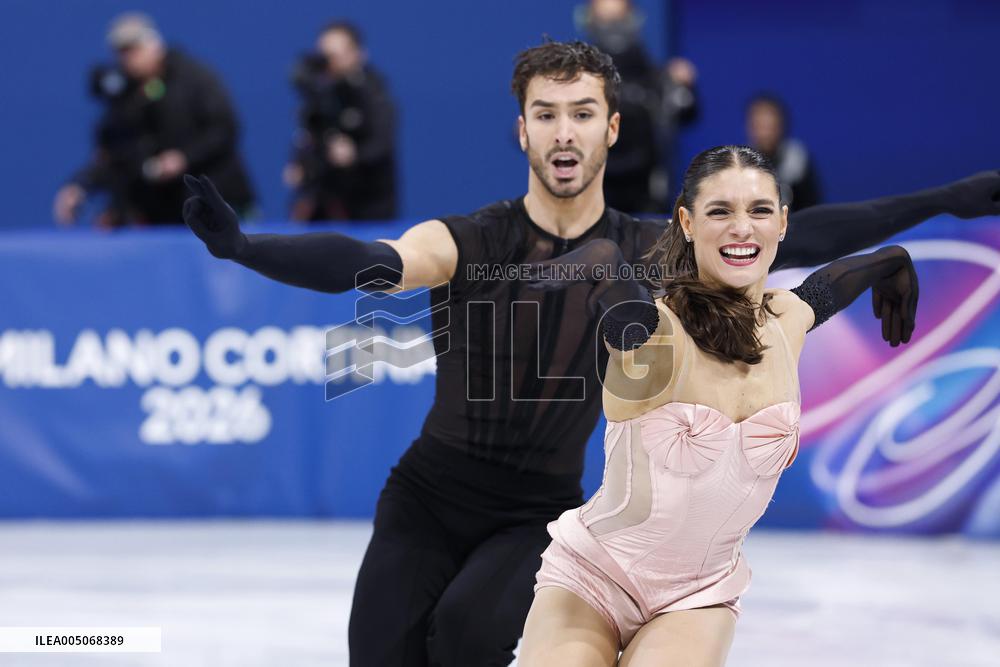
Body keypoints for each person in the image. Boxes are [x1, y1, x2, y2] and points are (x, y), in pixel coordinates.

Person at [179, 40, 1000, 667]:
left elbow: (801, 237)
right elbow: (369, 261)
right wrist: (246, 248)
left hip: (535, 512)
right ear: (523, 129)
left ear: (610, 128)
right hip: (425, 497)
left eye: (581, 112)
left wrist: (943, 201)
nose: (563, 131)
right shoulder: (470, 240)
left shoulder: (650, 250)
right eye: (546, 113)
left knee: (466, 639)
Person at [517, 145, 918, 666]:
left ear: (783, 223)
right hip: (591, 577)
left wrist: (891, 261)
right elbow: (624, 318)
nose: (742, 228)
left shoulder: (786, 321)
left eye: (759, 210)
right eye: (720, 211)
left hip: (698, 593)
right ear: (687, 222)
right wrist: (604, 265)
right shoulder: (658, 332)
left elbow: (827, 288)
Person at [53, 12, 254, 228]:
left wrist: (183, 158)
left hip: (219, 204)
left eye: (133, 48)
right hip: (163, 216)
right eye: (121, 52)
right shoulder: (123, 97)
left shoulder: (194, 78)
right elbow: (114, 157)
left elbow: (224, 129)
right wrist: (81, 185)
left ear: (154, 44)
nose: (128, 58)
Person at [577, 0, 698, 213]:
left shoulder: (658, 80)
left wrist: (685, 85)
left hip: (648, 199)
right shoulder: (573, 85)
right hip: (591, 197)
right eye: (604, 21)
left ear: (633, 19)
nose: (613, 29)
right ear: (589, 22)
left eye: (619, 20)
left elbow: (689, 112)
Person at [284, 21, 398, 222]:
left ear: (358, 54)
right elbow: (309, 133)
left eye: (335, 56)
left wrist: (354, 155)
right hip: (322, 202)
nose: (329, 64)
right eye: (324, 57)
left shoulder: (373, 93)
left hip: (367, 206)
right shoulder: (318, 94)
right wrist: (300, 164)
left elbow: (382, 142)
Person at [746, 93, 821, 211]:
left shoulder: (797, 160)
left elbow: (811, 207)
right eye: (760, 125)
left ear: (781, 125)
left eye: (769, 126)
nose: (765, 133)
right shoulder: (741, 164)